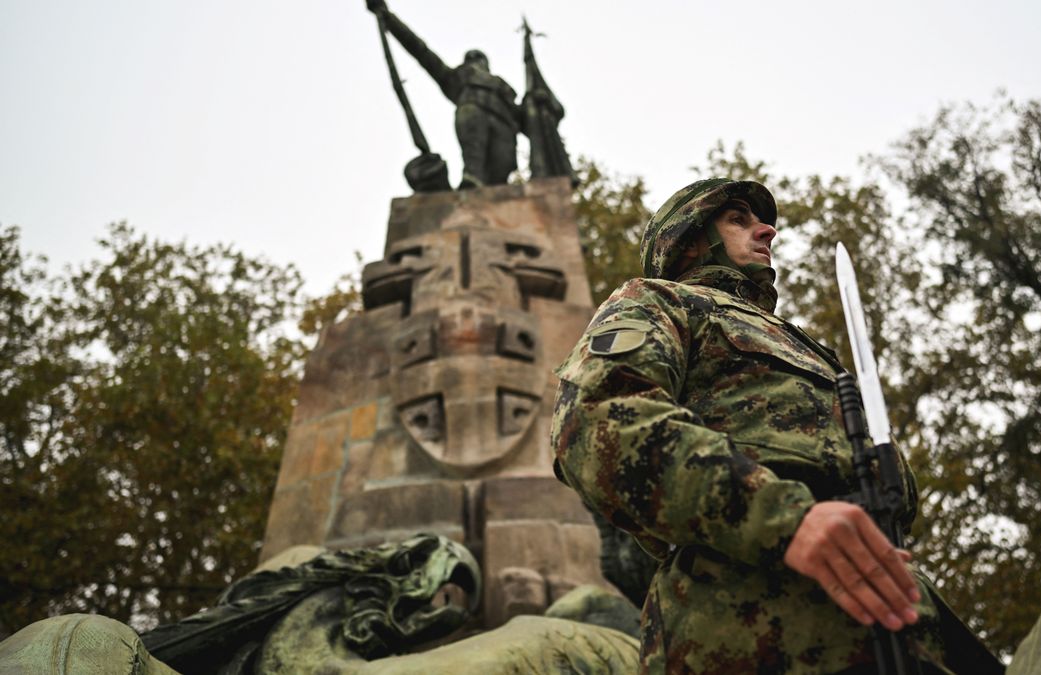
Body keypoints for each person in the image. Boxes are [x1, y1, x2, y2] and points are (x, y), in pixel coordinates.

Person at [551, 178, 999, 673]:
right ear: (691, 240)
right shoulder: (661, 302)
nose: (766, 231)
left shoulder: (801, 343)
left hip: (888, 612)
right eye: (738, 219)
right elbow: (600, 418)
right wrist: (784, 519)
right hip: (750, 620)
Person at [367, 0, 520, 188]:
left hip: (504, 123)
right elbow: (420, 50)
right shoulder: (455, 77)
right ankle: (471, 188)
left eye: (479, 59)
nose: (475, 63)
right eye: (471, 58)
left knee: (502, 171)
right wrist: (389, 19)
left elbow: (522, 117)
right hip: (472, 111)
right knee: (474, 166)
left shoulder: (502, 86)